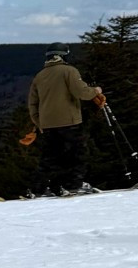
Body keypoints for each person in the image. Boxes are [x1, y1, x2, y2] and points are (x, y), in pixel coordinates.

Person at [27, 48, 103, 196]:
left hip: (47, 124)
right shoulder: (69, 71)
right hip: (69, 121)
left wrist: (40, 123)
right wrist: (96, 91)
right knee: (77, 154)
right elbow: (81, 92)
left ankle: (38, 189)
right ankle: (74, 185)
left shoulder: (39, 76)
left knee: (50, 158)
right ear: (62, 56)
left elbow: (32, 104)